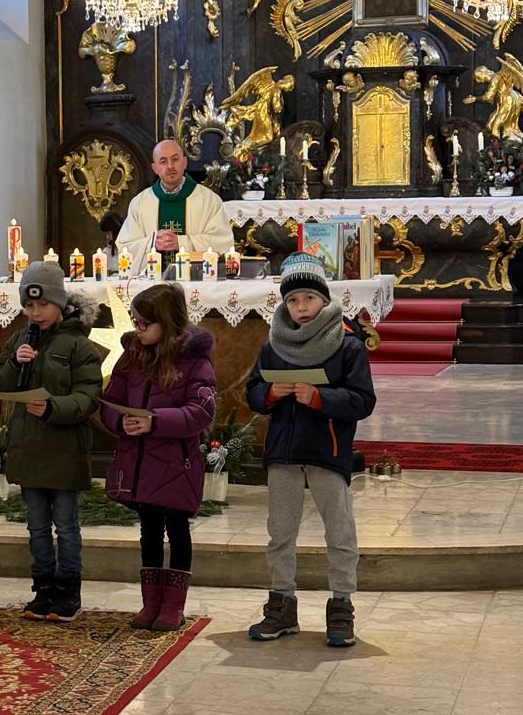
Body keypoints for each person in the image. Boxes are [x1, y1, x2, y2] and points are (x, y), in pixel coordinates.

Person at [244, 253, 376, 649]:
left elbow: (362, 400)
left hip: (326, 450)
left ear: (324, 299)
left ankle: (341, 605)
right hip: (283, 452)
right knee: (280, 533)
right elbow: (253, 391)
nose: (301, 307)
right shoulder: (274, 344)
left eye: (309, 298)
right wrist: (270, 393)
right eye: (293, 300)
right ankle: (282, 605)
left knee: (339, 530)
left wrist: (320, 398)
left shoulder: (347, 344)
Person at [0, 261, 102, 623]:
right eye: (29, 305)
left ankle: (68, 591)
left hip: (64, 449)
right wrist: (15, 363)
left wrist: (53, 407)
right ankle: (43, 589)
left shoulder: (79, 345)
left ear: (60, 303)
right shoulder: (19, 340)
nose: (35, 312)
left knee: (66, 526)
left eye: (43, 305)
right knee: (37, 526)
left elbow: (88, 397)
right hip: (29, 448)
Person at [102, 284, 216, 632]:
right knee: (149, 530)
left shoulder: (194, 360)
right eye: (134, 322)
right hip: (140, 461)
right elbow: (110, 402)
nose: (137, 329)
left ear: (166, 322)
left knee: (177, 529)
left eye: (144, 323)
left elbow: (201, 411)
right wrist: (121, 421)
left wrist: (155, 421)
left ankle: (173, 607)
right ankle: (150, 603)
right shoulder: (131, 356)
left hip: (176, 461)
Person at [117, 139, 234, 277]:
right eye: (163, 161)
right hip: (152, 284)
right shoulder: (140, 203)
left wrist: (180, 242)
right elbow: (124, 249)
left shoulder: (209, 200)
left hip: (197, 282)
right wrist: (153, 243)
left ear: (184, 162)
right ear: (154, 168)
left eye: (175, 159)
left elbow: (223, 243)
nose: (170, 166)